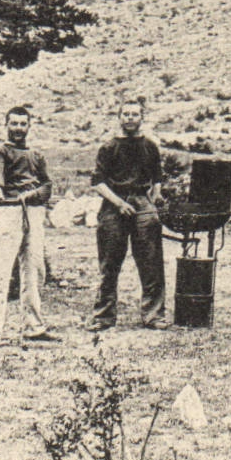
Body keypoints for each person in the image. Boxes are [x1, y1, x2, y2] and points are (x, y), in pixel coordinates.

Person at [0, 105, 58, 348]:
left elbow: (47, 186)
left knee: (34, 269)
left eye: (23, 124)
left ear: (29, 126)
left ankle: (34, 327)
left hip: (34, 213)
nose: (18, 128)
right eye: (14, 123)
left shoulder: (36, 155)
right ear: (6, 125)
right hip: (8, 210)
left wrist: (34, 194)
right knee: (0, 271)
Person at [87, 98, 165, 331]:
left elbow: (157, 177)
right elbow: (98, 182)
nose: (130, 118)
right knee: (109, 264)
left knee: (151, 262)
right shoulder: (109, 147)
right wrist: (119, 203)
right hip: (113, 205)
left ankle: (153, 315)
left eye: (135, 114)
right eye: (126, 114)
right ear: (119, 118)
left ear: (142, 117)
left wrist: (155, 196)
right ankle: (103, 317)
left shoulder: (150, 146)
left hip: (142, 203)